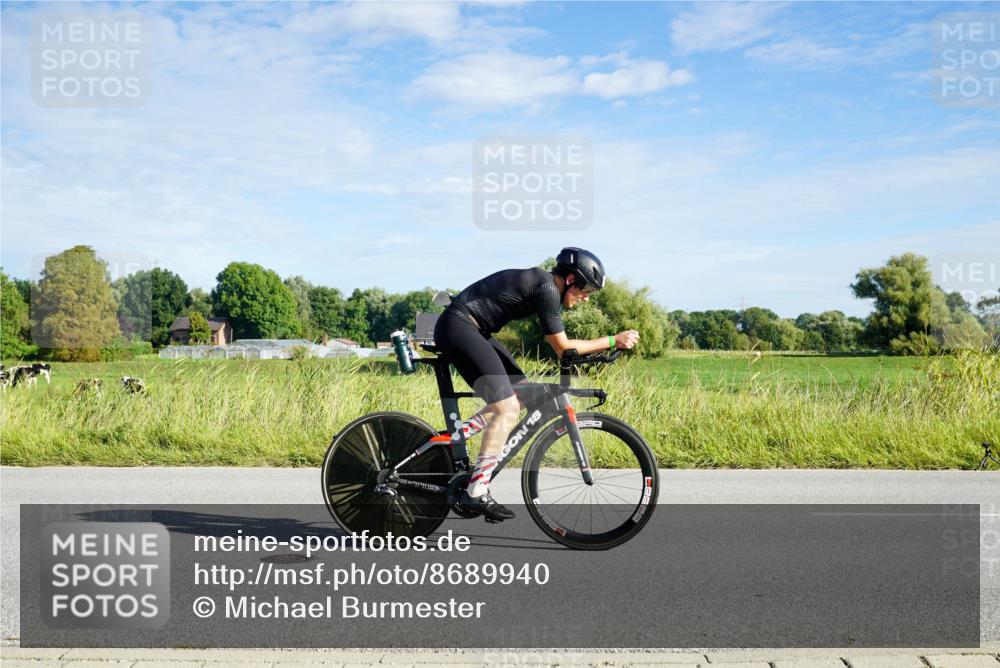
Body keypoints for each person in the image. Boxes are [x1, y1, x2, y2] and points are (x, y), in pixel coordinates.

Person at [433, 247, 640, 522]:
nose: (586, 299)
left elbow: (562, 348)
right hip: (459, 327)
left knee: (522, 394)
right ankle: (476, 491)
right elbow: (563, 347)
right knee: (506, 408)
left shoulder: (545, 286)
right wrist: (613, 340)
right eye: (585, 291)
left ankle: (453, 439)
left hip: (474, 329)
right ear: (569, 280)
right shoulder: (546, 289)